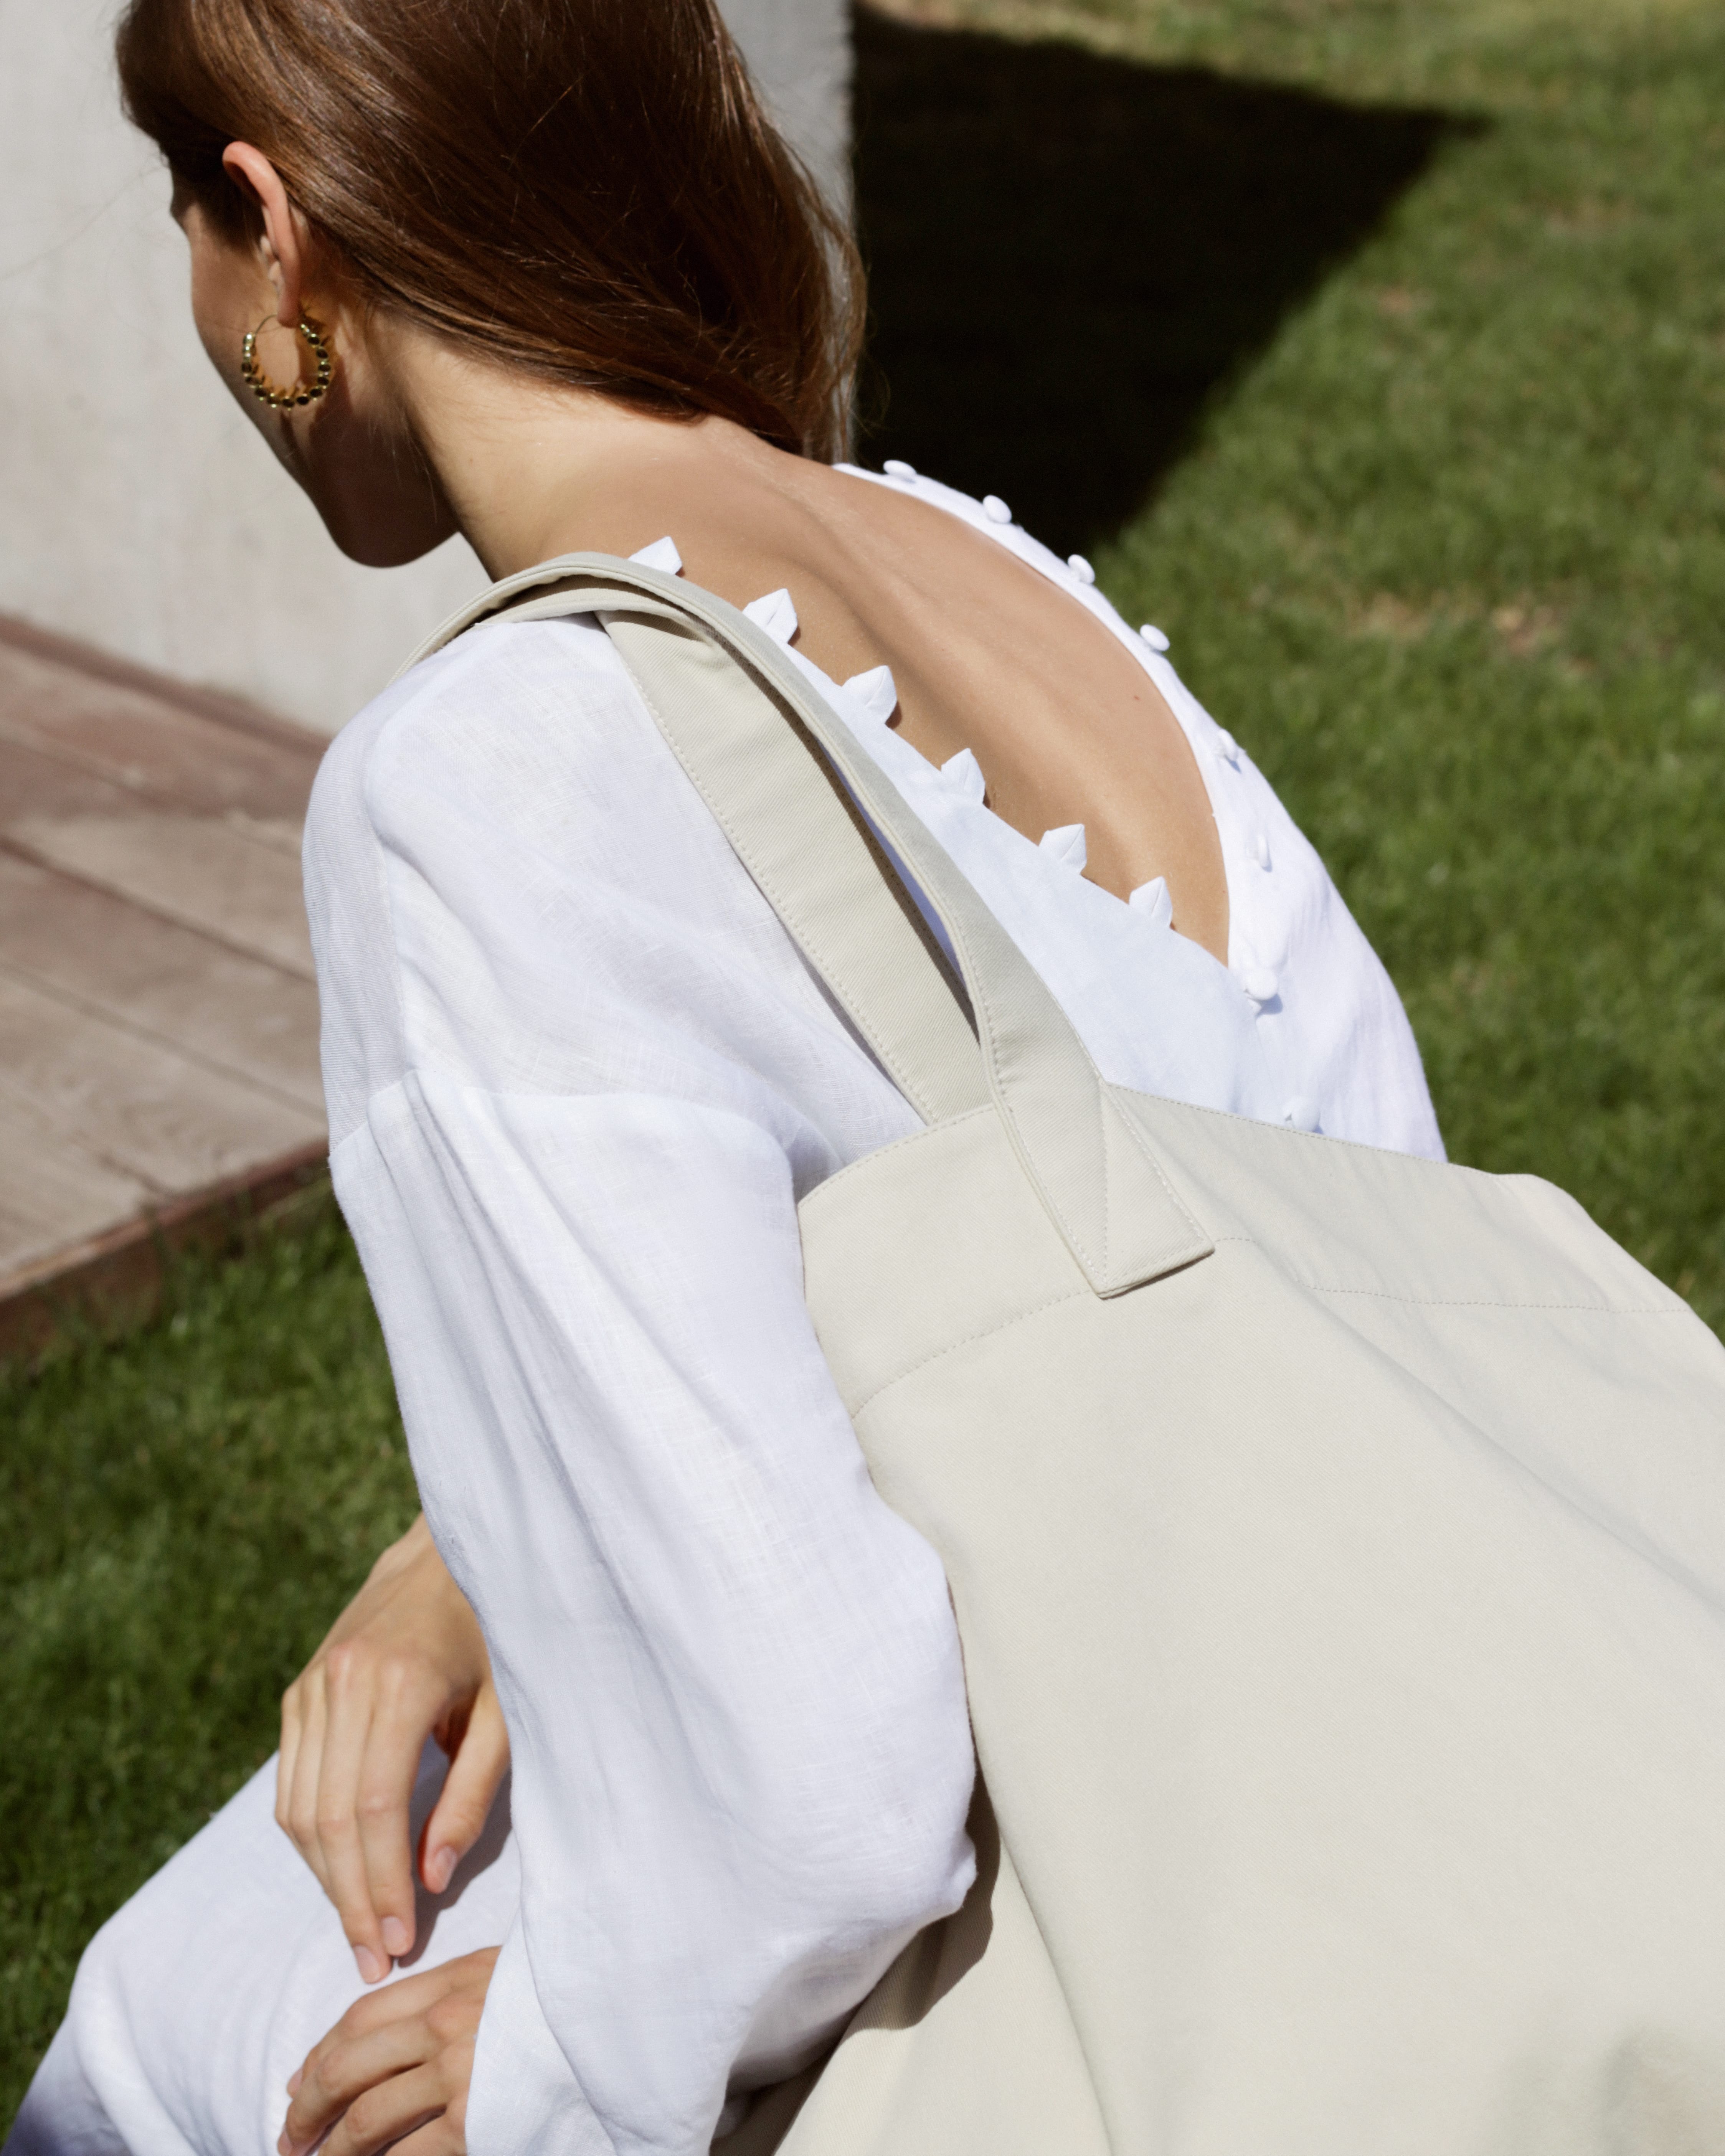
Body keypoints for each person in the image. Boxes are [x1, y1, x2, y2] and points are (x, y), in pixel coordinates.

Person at [7, 1, 1443, 2151]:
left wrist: (564, 2056)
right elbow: (1291, 1216)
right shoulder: (996, 575)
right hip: (1383, 1779)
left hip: (1079, 1950)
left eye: (183, 220)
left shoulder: (487, 777)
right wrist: (465, 1559)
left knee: (163, 2048)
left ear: (274, 230)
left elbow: (825, 1801)